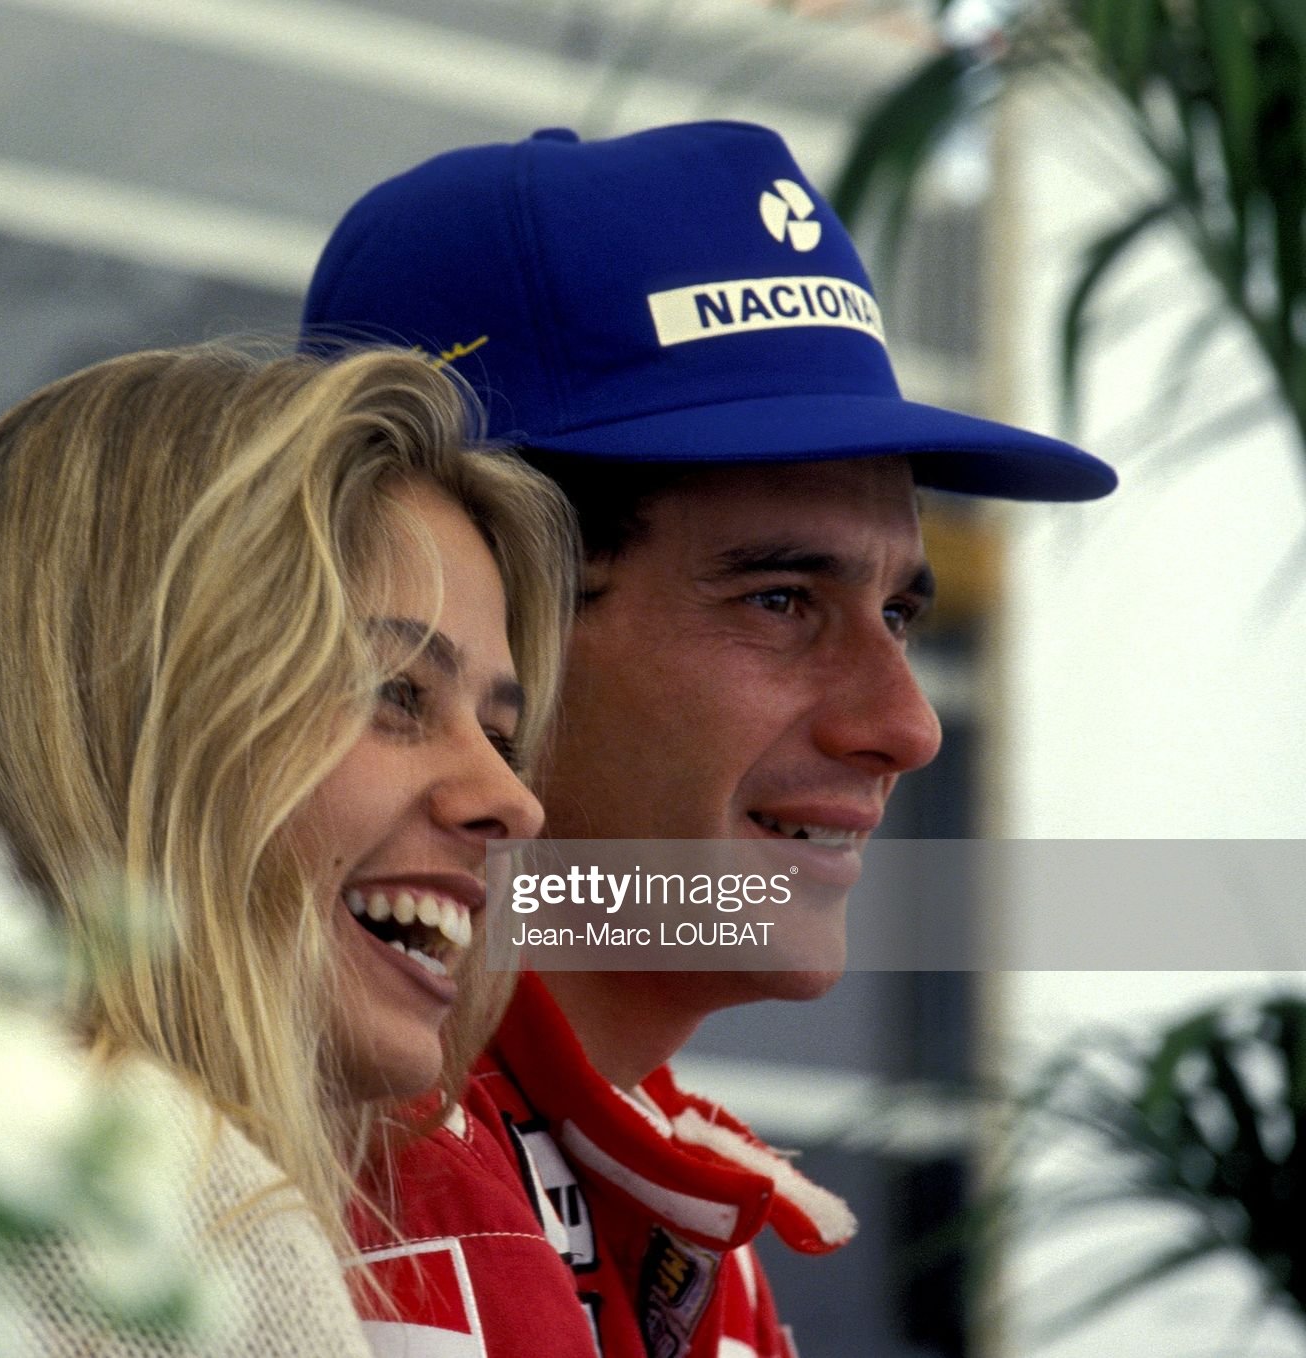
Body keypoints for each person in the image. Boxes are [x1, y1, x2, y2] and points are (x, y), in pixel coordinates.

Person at [303, 122, 1118, 1358]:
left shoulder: (670, 1197)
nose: (902, 726)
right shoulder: (279, 1169)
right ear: (480, 602)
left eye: (897, 612)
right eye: (779, 599)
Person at [0, 344, 577, 1354]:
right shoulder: (165, 1209)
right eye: (393, 693)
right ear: (127, 714)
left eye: (501, 735)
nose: (513, 800)